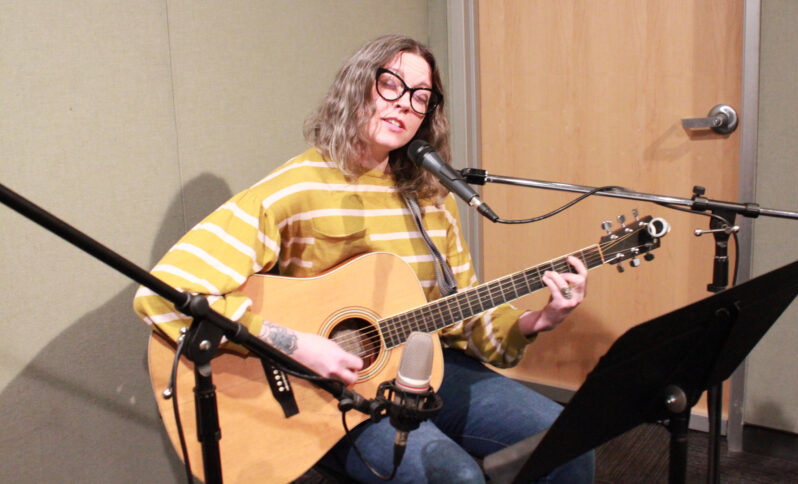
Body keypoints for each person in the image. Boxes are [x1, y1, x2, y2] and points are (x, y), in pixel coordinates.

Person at [134, 34, 594, 483]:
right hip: (325, 393)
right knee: (451, 475)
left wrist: (537, 319)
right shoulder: (296, 189)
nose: (403, 103)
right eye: (391, 84)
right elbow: (165, 294)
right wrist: (295, 345)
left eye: (421, 97)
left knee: (567, 437)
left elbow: (465, 312)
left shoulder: (433, 197)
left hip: (426, 365)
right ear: (358, 86)